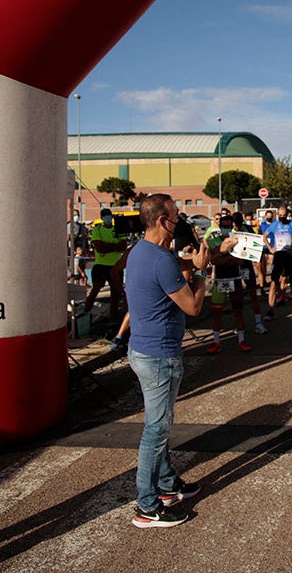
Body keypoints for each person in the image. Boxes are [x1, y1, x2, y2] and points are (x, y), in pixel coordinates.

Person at [124, 193, 210, 528]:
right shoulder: (161, 259)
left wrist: (194, 264)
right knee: (156, 430)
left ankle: (166, 483)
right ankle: (147, 506)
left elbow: (173, 271)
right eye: (176, 216)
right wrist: (202, 277)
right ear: (162, 220)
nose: (180, 222)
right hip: (159, 355)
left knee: (159, 425)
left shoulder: (142, 252)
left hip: (143, 349)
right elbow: (192, 307)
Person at [205, 213, 252, 354]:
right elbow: (212, 259)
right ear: (219, 226)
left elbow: (240, 261)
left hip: (235, 279)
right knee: (217, 312)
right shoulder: (213, 240)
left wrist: (222, 256)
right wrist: (227, 256)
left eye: (228, 225)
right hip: (219, 280)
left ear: (231, 225)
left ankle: (242, 341)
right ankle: (216, 342)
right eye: (223, 225)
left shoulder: (237, 240)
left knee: (238, 311)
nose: (226, 227)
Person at [83, 209, 128, 323]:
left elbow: (123, 246)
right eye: (105, 216)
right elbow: (99, 247)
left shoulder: (117, 229)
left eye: (109, 216)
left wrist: (107, 245)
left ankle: (113, 320)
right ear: (102, 218)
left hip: (115, 265)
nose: (107, 218)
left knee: (115, 293)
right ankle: (85, 314)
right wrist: (114, 246)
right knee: (95, 289)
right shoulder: (97, 230)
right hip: (101, 265)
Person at [262, 204, 292, 320]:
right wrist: (270, 248)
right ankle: (270, 311)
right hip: (278, 255)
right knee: (274, 283)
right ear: (277, 215)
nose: (282, 217)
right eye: (280, 215)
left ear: (288, 215)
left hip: (289, 256)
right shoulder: (274, 225)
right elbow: (264, 236)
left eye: (284, 215)